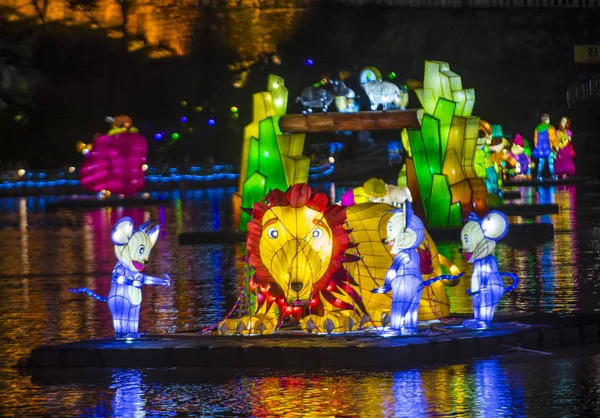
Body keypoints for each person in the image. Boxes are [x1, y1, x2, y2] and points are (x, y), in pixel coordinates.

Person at [532, 113, 558, 181]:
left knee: (540, 163)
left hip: (540, 150)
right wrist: (556, 146)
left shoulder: (537, 129)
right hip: (548, 149)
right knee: (551, 162)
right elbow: (553, 139)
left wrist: (537, 147)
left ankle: (538, 175)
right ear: (547, 120)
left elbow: (535, 140)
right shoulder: (550, 127)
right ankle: (553, 175)